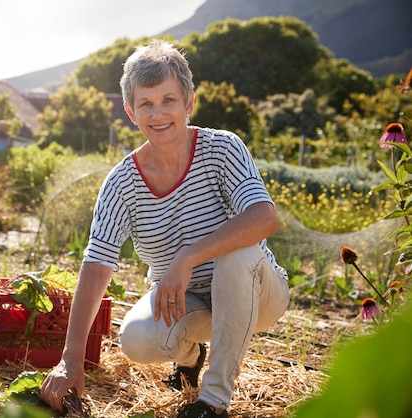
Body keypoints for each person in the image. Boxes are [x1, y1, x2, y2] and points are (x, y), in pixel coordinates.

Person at [40, 39, 289, 418]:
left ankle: (213, 402)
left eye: (169, 100)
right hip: (187, 302)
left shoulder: (223, 149)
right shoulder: (121, 183)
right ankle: (190, 356)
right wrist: (70, 358)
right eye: (146, 104)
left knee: (237, 253)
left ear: (188, 102)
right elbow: (97, 264)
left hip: (257, 294)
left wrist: (188, 257)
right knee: (136, 339)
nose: (159, 114)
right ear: (130, 111)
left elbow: (263, 217)